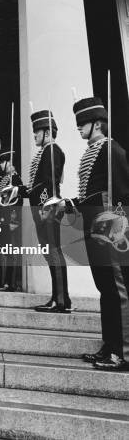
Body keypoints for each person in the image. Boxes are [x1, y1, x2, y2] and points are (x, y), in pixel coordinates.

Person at [68, 97, 129, 371]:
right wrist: (71, 204)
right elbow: (92, 193)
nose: (79, 128)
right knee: (105, 288)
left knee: (118, 290)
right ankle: (110, 345)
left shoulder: (111, 150)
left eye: (83, 123)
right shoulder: (93, 152)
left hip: (110, 231)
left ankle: (122, 352)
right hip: (94, 228)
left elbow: (121, 194)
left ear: (97, 124)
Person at [20, 110, 71, 313]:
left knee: (54, 252)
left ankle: (60, 301)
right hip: (43, 208)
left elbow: (50, 182)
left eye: (37, 132)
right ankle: (59, 297)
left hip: (48, 208)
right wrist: (19, 191)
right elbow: (37, 185)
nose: (34, 136)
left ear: (47, 132)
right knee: (50, 253)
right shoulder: (45, 152)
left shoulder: (53, 151)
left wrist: (45, 206)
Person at [0, 148, 23, 292]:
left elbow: (17, 203)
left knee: (12, 252)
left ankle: (11, 283)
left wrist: (14, 220)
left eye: (3, 162)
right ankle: (5, 282)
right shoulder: (5, 179)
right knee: (5, 251)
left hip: (11, 220)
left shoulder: (15, 179)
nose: (1, 165)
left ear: (10, 162)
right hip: (3, 220)